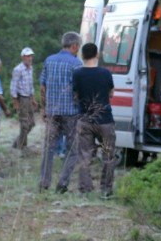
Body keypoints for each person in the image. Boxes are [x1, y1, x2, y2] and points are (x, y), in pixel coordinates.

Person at [39, 32, 82, 192]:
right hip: (70, 112)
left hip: (52, 112)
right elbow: (78, 90)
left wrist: (44, 107)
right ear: (74, 46)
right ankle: (62, 183)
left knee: (49, 148)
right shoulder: (76, 64)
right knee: (72, 149)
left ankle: (44, 183)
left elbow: (43, 86)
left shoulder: (49, 61)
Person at [72, 42, 117, 198]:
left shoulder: (77, 74)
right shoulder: (105, 73)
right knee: (108, 156)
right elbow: (111, 93)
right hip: (105, 120)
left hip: (84, 120)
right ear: (97, 55)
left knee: (84, 155)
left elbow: (75, 95)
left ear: (82, 56)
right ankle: (106, 189)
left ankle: (85, 189)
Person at [10, 47, 38, 152]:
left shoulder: (30, 68)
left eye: (31, 56)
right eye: (28, 56)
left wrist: (33, 99)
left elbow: (31, 86)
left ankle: (17, 142)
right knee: (24, 123)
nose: (30, 58)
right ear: (23, 57)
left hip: (29, 98)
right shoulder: (18, 69)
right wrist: (15, 102)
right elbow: (13, 87)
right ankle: (22, 146)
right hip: (21, 98)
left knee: (32, 123)